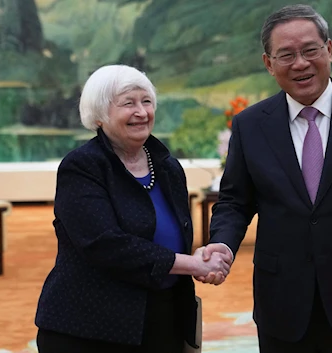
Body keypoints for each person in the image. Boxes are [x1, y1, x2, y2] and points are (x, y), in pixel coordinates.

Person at [198, 4, 332, 353]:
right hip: (280, 301)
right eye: (285, 55)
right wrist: (223, 245)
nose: (300, 63)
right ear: (268, 64)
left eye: (310, 50)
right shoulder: (250, 125)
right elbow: (235, 202)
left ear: (328, 50)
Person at [34, 64, 230, 353]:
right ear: (99, 116)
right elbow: (104, 244)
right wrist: (191, 264)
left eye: (146, 101)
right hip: (90, 328)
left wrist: (200, 253)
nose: (141, 112)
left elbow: (172, 235)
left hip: (165, 319)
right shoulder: (82, 167)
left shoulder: (168, 166)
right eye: (128, 103)